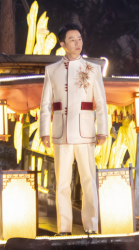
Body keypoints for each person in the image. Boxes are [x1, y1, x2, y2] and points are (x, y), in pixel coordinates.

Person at [40, 24, 108, 235]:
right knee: (62, 183)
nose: (78, 43)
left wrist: (102, 130)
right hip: (60, 133)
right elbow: (45, 104)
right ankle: (64, 229)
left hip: (85, 132)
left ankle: (91, 226)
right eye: (72, 39)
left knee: (89, 180)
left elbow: (101, 103)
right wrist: (44, 131)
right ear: (62, 44)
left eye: (79, 38)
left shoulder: (92, 69)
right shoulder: (52, 70)